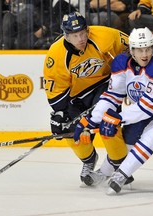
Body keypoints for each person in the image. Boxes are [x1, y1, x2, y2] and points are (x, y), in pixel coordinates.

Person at [74, 27, 153, 194]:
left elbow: (147, 108)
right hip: (151, 105)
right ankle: (104, 172)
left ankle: (122, 174)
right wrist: (91, 120)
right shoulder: (120, 64)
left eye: (148, 48)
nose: (144, 54)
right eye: (140, 49)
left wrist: (116, 118)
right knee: (129, 136)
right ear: (131, 50)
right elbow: (112, 96)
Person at [43, 11, 129, 185]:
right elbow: (56, 88)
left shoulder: (105, 35)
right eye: (75, 35)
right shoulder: (56, 54)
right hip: (77, 96)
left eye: (83, 33)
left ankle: (121, 165)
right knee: (69, 130)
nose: (81, 39)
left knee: (108, 122)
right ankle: (88, 159)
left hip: (105, 85)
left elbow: (133, 47)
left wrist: (128, 69)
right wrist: (60, 114)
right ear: (66, 36)